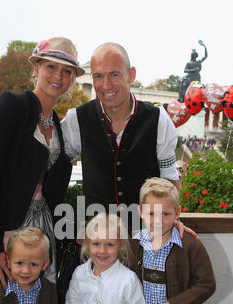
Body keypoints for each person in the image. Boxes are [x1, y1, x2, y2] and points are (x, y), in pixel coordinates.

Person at [0, 36, 84, 290]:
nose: (58, 76)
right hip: (3, 227)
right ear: (36, 67)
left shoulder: (59, 125)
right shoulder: (11, 106)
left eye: (67, 71)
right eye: (51, 66)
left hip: (42, 229)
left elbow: (51, 189)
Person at [61, 42, 180, 219]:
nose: (106, 85)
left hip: (145, 234)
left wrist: (172, 219)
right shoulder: (75, 120)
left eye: (114, 75)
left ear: (131, 75)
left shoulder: (159, 120)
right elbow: (56, 168)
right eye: (98, 76)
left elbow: (169, 178)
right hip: (97, 238)